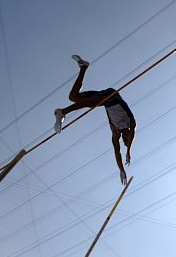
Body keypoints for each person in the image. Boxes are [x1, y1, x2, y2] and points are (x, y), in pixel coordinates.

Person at [54, 55, 136, 184]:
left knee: (73, 97)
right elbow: (132, 134)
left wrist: (121, 170)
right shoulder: (131, 123)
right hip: (112, 96)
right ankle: (63, 112)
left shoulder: (115, 133)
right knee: (92, 103)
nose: (126, 136)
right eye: (128, 137)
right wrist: (129, 150)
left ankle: (83, 67)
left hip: (103, 99)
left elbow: (117, 151)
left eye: (124, 139)